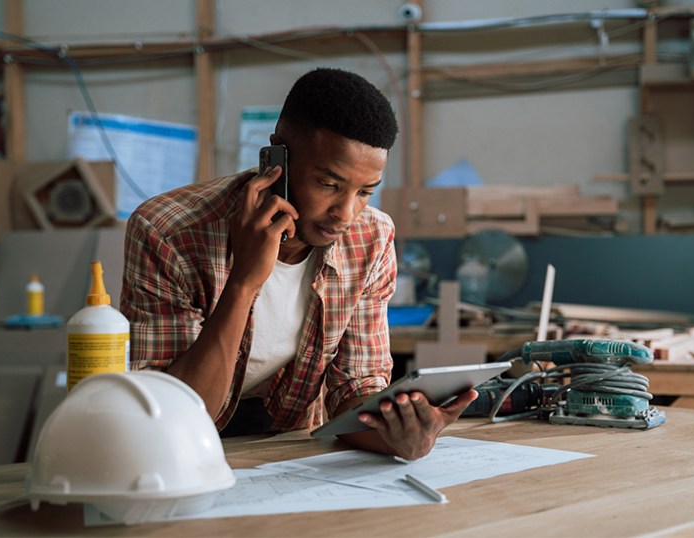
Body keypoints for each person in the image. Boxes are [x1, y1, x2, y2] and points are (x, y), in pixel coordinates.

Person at [121, 67, 477, 460]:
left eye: (364, 192)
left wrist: (404, 436)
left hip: (286, 451)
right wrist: (244, 281)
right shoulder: (168, 231)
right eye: (328, 185)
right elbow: (170, 415)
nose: (345, 213)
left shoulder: (371, 238)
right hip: (176, 452)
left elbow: (352, 397)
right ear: (277, 159)